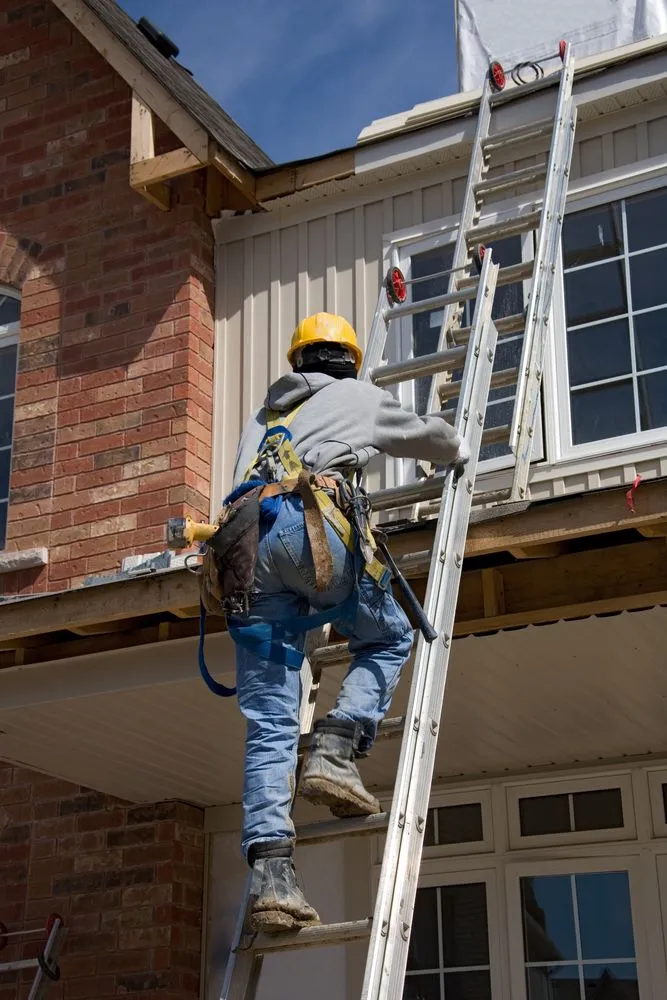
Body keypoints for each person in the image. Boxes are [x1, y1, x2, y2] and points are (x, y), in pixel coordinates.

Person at [229, 312, 469, 934]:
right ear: (349, 361)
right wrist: (458, 443)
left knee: (271, 721)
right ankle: (336, 745)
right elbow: (439, 442)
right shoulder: (358, 396)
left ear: (297, 359)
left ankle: (272, 877)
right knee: (389, 633)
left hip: (242, 554)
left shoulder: (264, 418)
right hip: (308, 533)